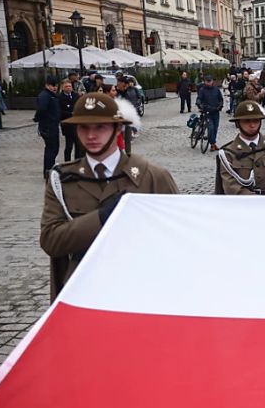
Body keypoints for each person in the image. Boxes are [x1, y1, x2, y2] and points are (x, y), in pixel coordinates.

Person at [40, 93, 178, 300]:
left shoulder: (152, 176)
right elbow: (51, 241)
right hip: (84, 292)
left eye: (100, 127)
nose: (91, 136)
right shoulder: (63, 180)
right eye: (84, 127)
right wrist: (101, 218)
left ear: (118, 128)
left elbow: (177, 240)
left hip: (141, 291)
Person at [215, 99, 265, 195]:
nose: (252, 125)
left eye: (256, 120)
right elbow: (230, 186)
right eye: (246, 121)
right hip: (244, 206)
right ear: (238, 123)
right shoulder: (228, 154)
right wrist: (255, 200)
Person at [35, 76, 62, 177]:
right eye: (52, 85)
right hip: (48, 126)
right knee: (51, 148)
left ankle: (49, 168)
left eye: (56, 85)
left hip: (52, 125)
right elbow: (41, 109)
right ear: (47, 85)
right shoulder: (45, 95)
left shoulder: (52, 95)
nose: (55, 88)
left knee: (53, 148)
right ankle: (48, 170)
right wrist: (38, 118)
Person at [195, 75, 224, 151]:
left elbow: (220, 99)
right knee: (210, 128)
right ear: (205, 82)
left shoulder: (216, 89)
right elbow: (199, 99)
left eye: (210, 81)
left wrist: (220, 105)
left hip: (216, 111)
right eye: (207, 81)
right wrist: (200, 105)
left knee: (215, 128)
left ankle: (213, 143)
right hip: (207, 111)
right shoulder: (202, 90)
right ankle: (213, 144)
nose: (209, 82)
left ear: (212, 81)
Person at [58, 79, 83, 161]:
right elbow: (59, 111)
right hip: (67, 124)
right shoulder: (60, 97)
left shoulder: (76, 96)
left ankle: (77, 161)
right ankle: (67, 162)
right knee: (69, 146)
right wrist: (70, 114)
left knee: (78, 146)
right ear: (62, 87)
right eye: (66, 86)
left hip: (77, 124)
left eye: (70, 86)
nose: (68, 88)